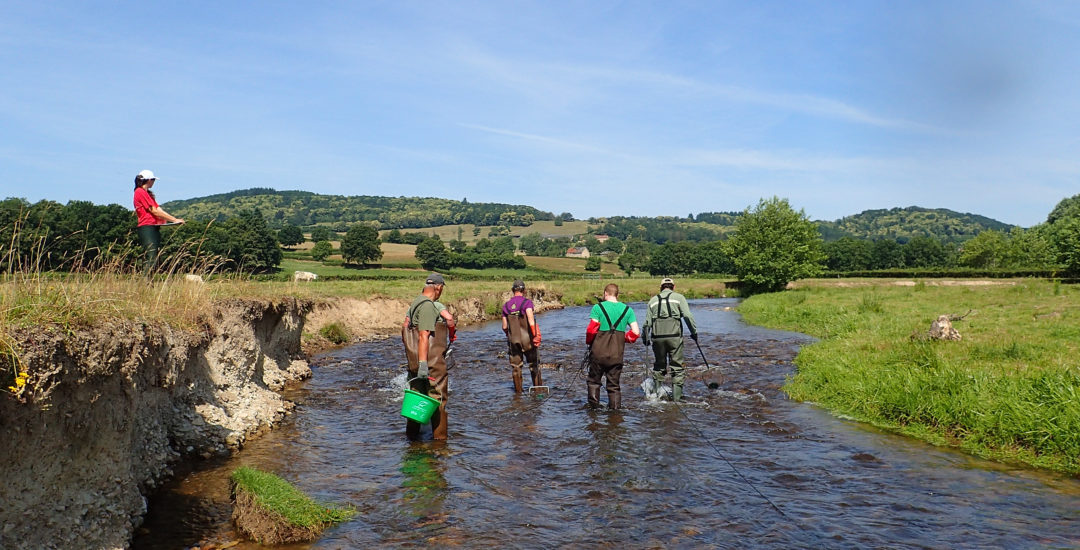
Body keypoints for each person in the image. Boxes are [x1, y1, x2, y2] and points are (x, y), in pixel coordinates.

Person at [401, 273, 451, 440]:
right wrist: (423, 364)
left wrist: (415, 360)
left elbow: (405, 328)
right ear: (438, 287)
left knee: (416, 399)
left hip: (414, 361)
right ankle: (440, 444)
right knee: (439, 401)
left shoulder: (414, 304)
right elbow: (424, 335)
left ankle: (412, 441)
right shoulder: (429, 306)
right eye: (442, 288)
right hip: (430, 363)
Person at [642, 277, 699, 402]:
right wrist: (694, 332)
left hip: (657, 338)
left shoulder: (652, 300)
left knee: (659, 366)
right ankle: (677, 399)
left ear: (661, 287)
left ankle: (656, 396)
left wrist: (645, 337)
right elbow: (688, 316)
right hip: (674, 338)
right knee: (677, 367)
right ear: (673, 287)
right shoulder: (679, 298)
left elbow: (647, 323)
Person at [585, 283, 640, 410]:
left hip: (598, 353)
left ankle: (593, 412)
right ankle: (615, 415)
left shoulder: (598, 308)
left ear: (605, 294)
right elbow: (636, 333)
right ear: (617, 294)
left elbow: (591, 330)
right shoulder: (628, 310)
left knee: (593, 382)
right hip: (616, 355)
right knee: (614, 386)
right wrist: (623, 338)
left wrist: (589, 342)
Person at [132, 169, 184, 272]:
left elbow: (159, 209)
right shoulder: (140, 192)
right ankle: (146, 282)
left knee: (155, 256)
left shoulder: (148, 194)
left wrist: (174, 220)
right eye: (153, 180)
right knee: (151, 256)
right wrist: (173, 220)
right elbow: (154, 211)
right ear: (148, 180)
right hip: (146, 227)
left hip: (153, 226)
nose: (153, 182)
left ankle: (149, 283)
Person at [501, 279, 542, 393]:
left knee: (516, 367)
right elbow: (531, 320)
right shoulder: (527, 303)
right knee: (534, 364)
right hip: (528, 339)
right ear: (524, 290)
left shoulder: (506, 306)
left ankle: (518, 394)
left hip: (513, 340)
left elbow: (504, 326)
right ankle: (537, 391)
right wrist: (535, 336)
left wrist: (510, 336)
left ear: (512, 290)